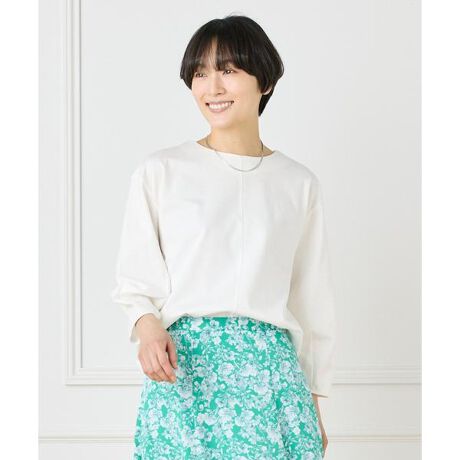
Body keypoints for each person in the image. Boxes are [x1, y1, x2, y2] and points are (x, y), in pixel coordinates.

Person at [111, 14, 336, 460]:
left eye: (228, 70)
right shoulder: (161, 172)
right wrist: (148, 326)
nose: (211, 87)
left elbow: (311, 303)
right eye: (200, 73)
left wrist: (312, 405)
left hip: (273, 382)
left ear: (264, 81)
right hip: (186, 375)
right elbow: (134, 280)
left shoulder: (298, 184)